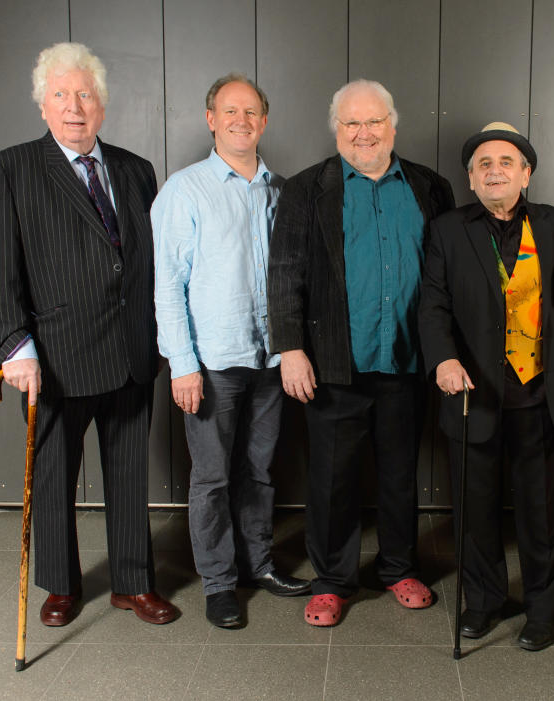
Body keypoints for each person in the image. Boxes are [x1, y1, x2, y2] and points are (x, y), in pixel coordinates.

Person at [0, 42, 178, 627]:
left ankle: (133, 582)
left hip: (130, 351)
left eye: (84, 94)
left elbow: (151, 262)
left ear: (103, 105)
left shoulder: (136, 169)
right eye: (61, 95)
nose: (74, 106)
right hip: (55, 358)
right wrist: (14, 346)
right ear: (42, 105)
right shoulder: (9, 169)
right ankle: (61, 585)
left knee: (127, 471)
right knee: (55, 474)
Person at [267, 79, 454, 626]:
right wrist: (291, 349)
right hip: (333, 364)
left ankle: (398, 567)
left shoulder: (430, 186)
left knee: (400, 474)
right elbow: (284, 274)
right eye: (351, 123)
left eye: (374, 122)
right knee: (331, 479)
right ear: (337, 130)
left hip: (406, 359)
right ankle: (332, 580)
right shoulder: (306, 189)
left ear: (393, 126)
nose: (364, 133)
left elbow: (444, 275)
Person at [418, 122, 554, 650]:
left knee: (540, 512)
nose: (494, 170)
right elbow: (433, 305)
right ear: (470, 179)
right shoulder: (448, 230)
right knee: (474, 510)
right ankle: (485, 601)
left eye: (505, 162)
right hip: (473, 392)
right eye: (482, 165)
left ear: (526, 172)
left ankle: (545, 610)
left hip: (540, 394)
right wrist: (444, 361)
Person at [151, 73, 310, 630]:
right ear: (211, 119)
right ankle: (219, 583)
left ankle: (258, 564)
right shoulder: (184, 189)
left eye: (252, 112)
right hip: (212, 364)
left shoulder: (283, 190)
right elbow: (167, 284)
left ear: (264, 122)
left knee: (260, 471)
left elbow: (295, 277)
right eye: (229, 111)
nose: (241, 120)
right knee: (213, 476)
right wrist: (183, 364)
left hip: (269, 359)